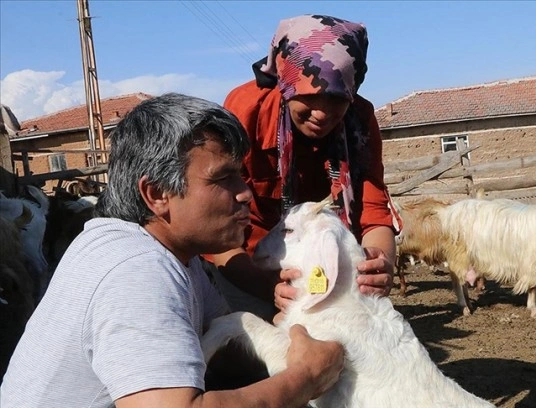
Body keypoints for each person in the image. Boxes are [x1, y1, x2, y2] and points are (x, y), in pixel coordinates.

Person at [0, 93, 344, 407]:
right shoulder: (136, 269)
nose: (245, 193)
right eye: (224, 178)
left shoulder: (170, 255)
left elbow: (221, 343)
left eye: (241, 175)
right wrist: (305, 378)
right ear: (157, 194)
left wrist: (292, 340)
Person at [209, 14, 402, 320]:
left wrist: (381, 263)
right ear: (285, 86)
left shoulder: (360, 122)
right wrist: (266, 286)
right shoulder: (245, 113)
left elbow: (373, 208)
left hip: (322, 261)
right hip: (248, 265)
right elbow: (215, 227)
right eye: (309, 97)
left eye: (337, 99)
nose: (322, 113)